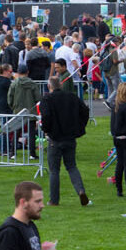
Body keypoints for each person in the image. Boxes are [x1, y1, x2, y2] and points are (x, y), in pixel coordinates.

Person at [39, 74, 91, 207]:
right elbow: (85, 111)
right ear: (61, 85)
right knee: (72, 166)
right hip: (70, 137)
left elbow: (46, 116)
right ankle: (80, 190)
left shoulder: (47, 99)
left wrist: (46, 129)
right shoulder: (71, 97)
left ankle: (54, 200)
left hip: (55, 138)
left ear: (49, 86)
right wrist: (80, 126)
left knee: (54, 170)